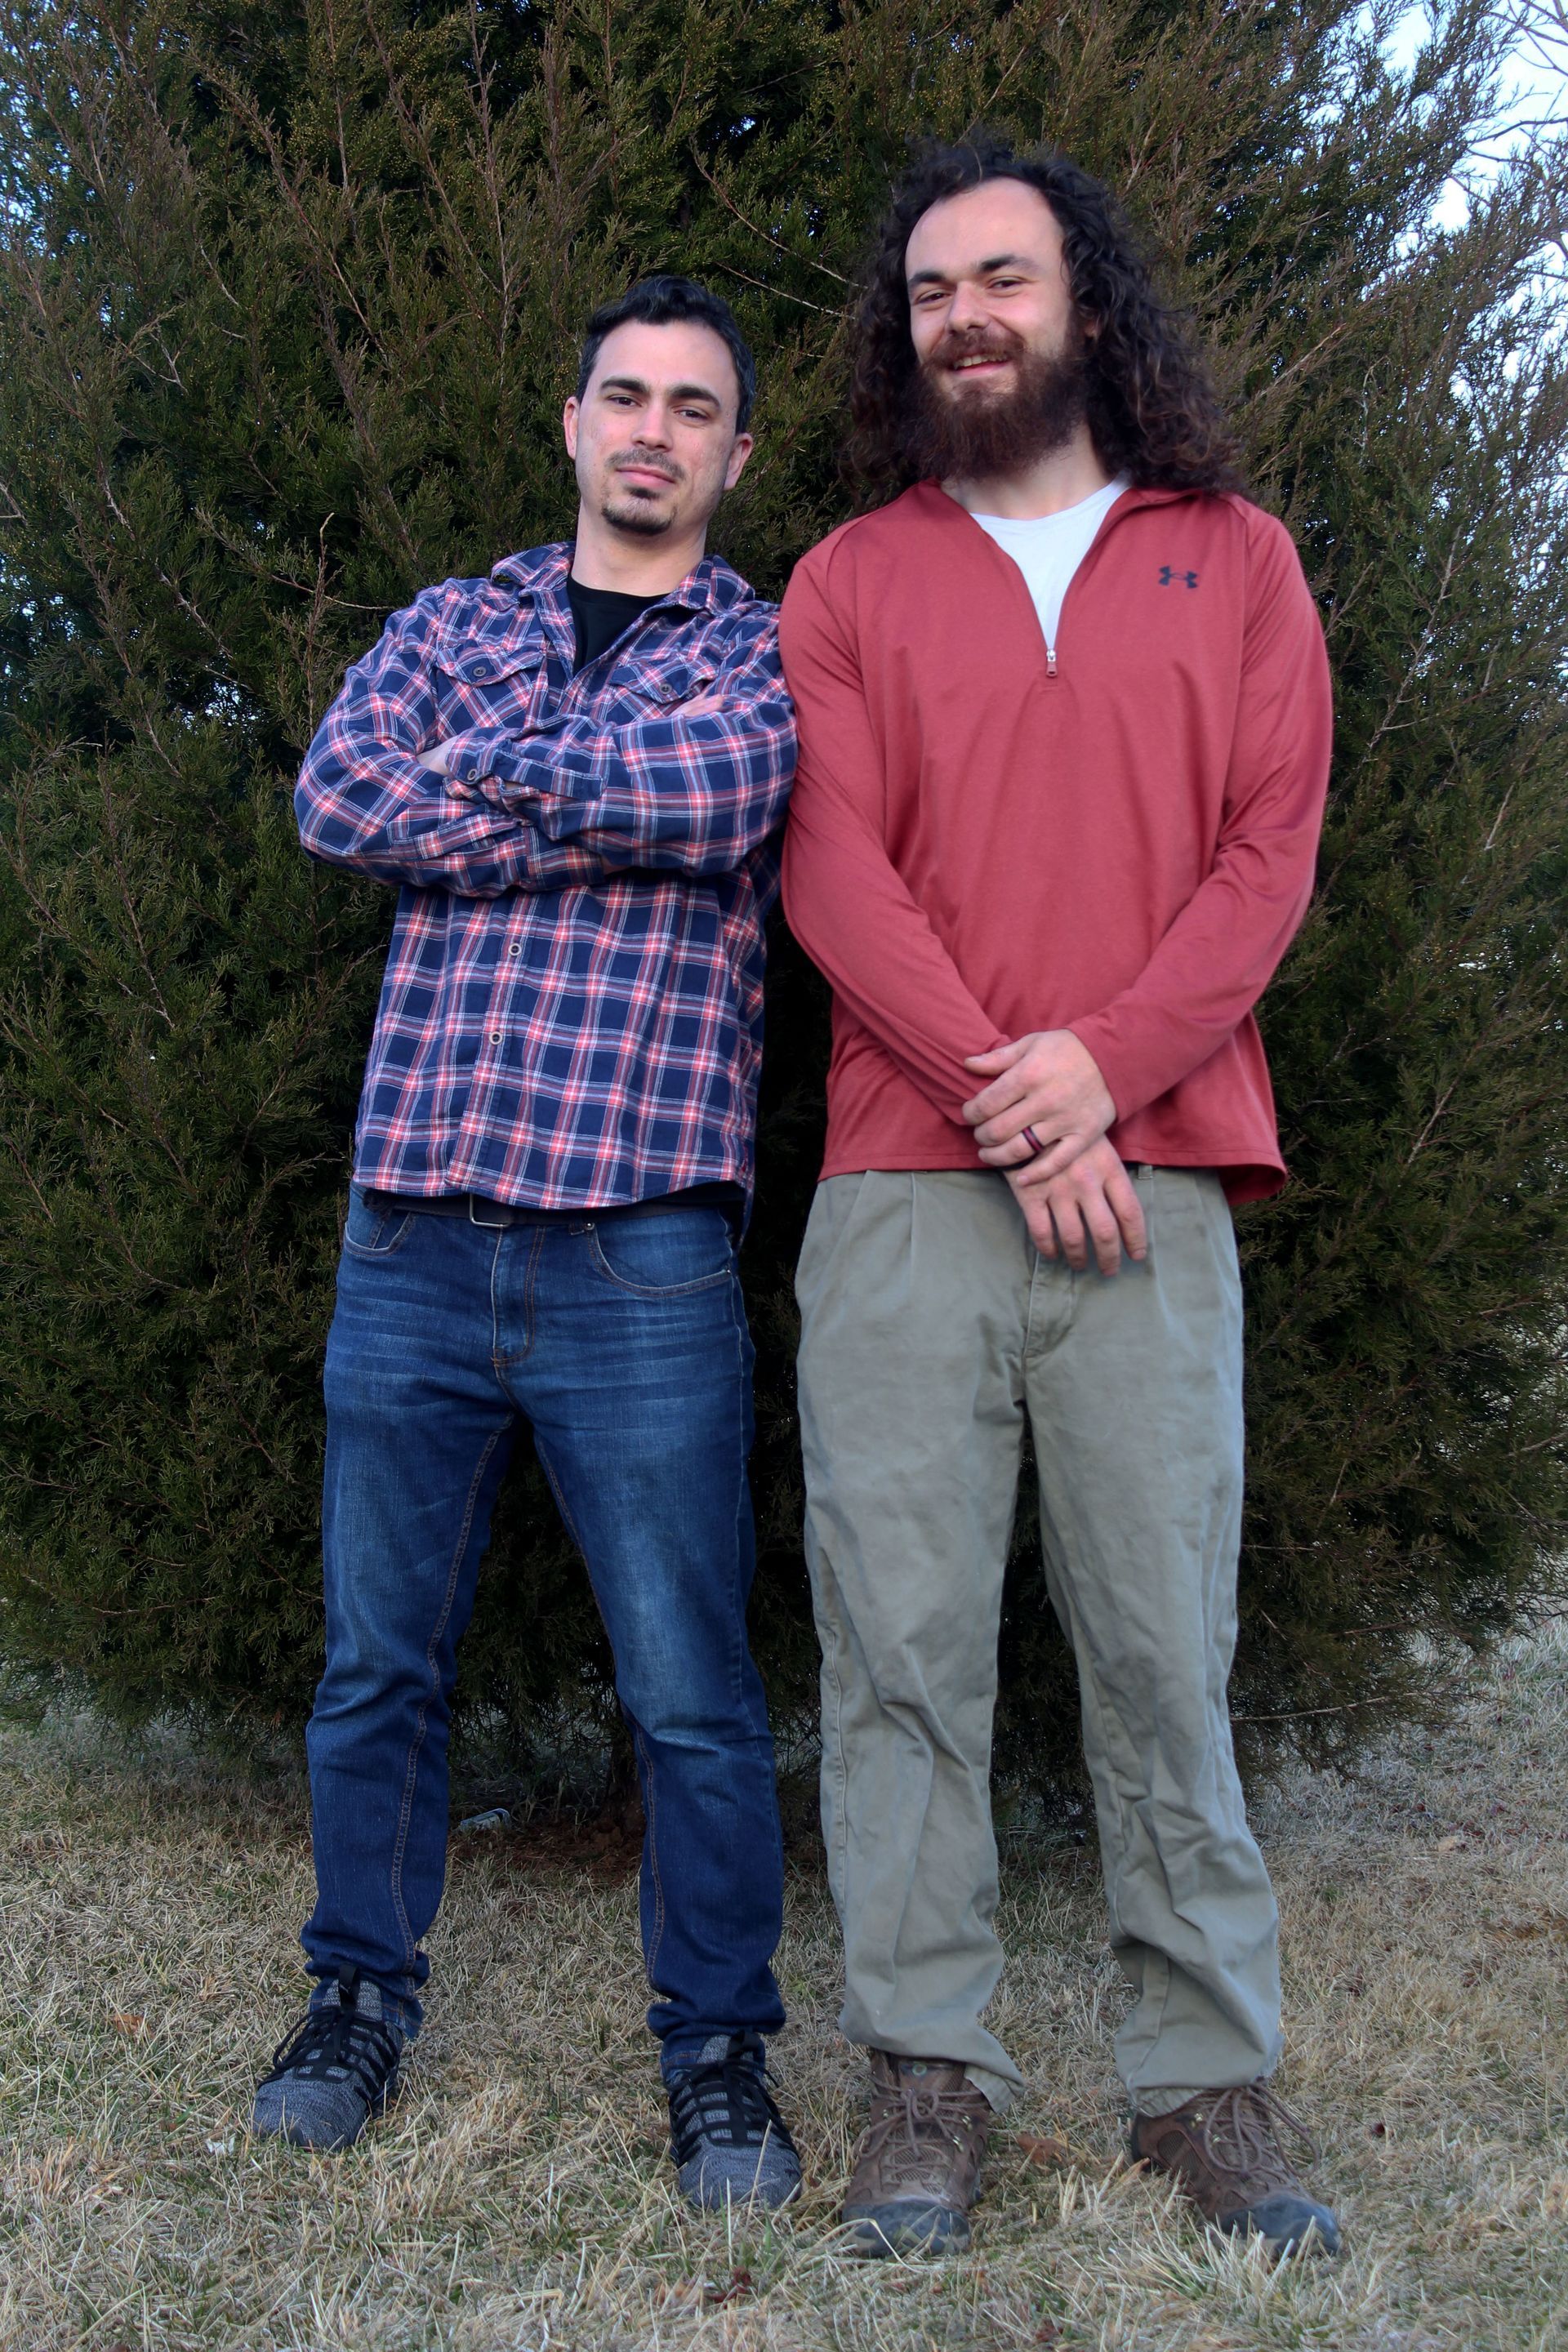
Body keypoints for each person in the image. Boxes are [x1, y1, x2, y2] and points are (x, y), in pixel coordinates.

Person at [778, 138, 1339, 2260]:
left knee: (1164, 1655)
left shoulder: (1239, 556)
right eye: (931, 291)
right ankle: (927, 2088)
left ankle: (1205, 2091)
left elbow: (1262, 864)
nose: (965, 320)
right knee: (899, 1657)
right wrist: (1030, 1105)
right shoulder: (844, 583)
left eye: (1001, 278)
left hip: (1161, 1192)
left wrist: (1106, 1071)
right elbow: (835, 875)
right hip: (905, 1197)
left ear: (1083, 302)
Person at [250, 275, 801, 2213]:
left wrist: (476, 797)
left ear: (736, 452)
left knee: (691, 1690)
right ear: (574, 424)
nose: (654, 431)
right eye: (624, 397)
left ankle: (720, 2054)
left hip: (637, 1255)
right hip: (411, 1227)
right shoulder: (445, 621)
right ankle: (355, 2000)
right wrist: (600, 818)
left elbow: (723, 797)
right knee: (377, 1670)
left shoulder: (760, 657)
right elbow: (336, 797)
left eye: (694, 409)